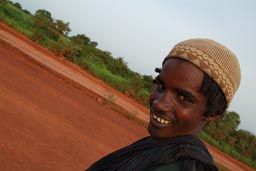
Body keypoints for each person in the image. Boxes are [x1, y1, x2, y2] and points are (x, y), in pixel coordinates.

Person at [85, 38, 241, 171]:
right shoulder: (161, 148)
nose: (160, 104)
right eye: (160, 86)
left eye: (183, 98)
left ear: (214, 112)